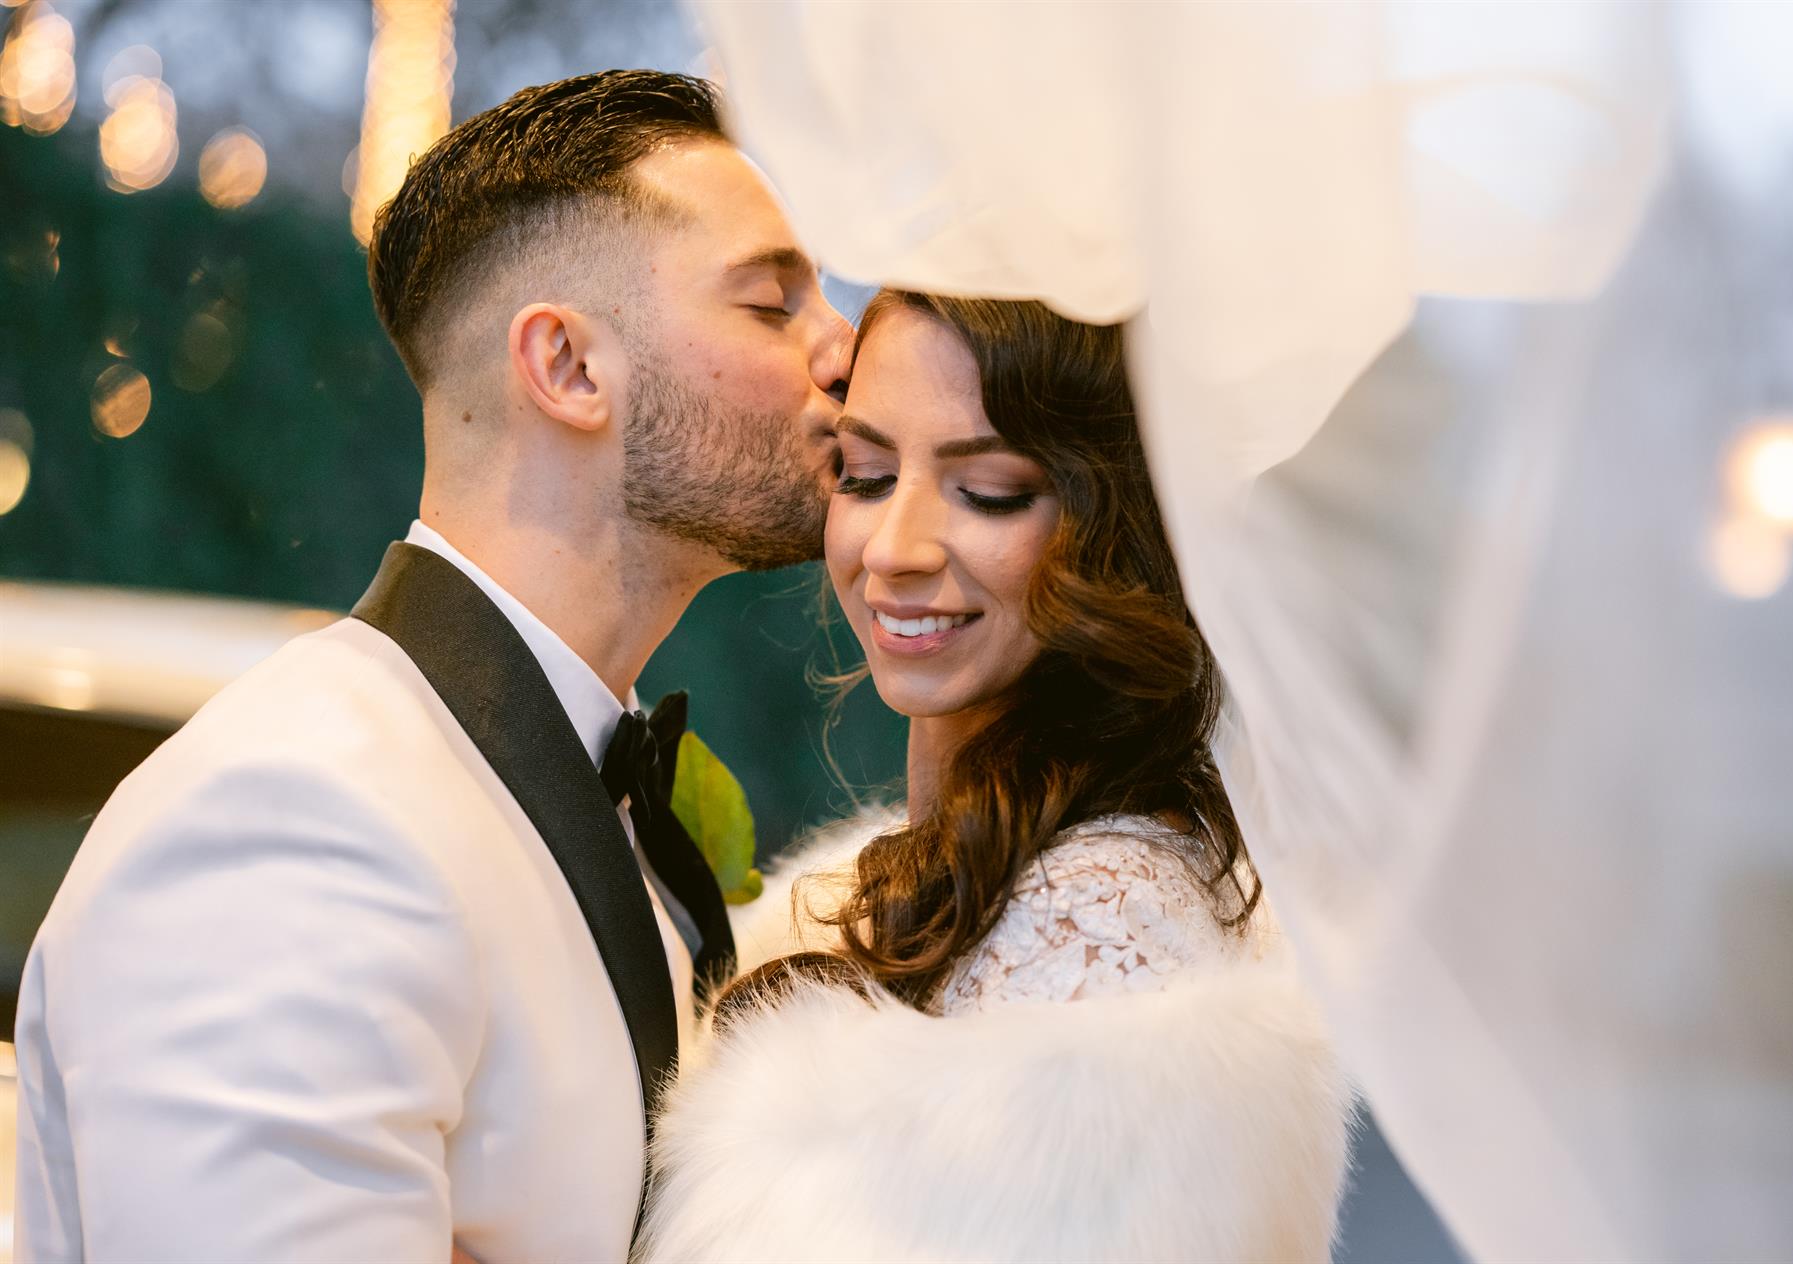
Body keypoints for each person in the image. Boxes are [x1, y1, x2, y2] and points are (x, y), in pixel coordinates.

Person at [11, 70, 852, 1263]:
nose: (846, 351)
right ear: (567, 366)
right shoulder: (297, 820)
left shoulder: (562, 791)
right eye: (773, 303)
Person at [638, 292, 1350, 1262]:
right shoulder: (935, 870)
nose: (893, 549)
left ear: (1120, 527)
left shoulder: (1096, 932)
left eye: (991, 491)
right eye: (866, 474)